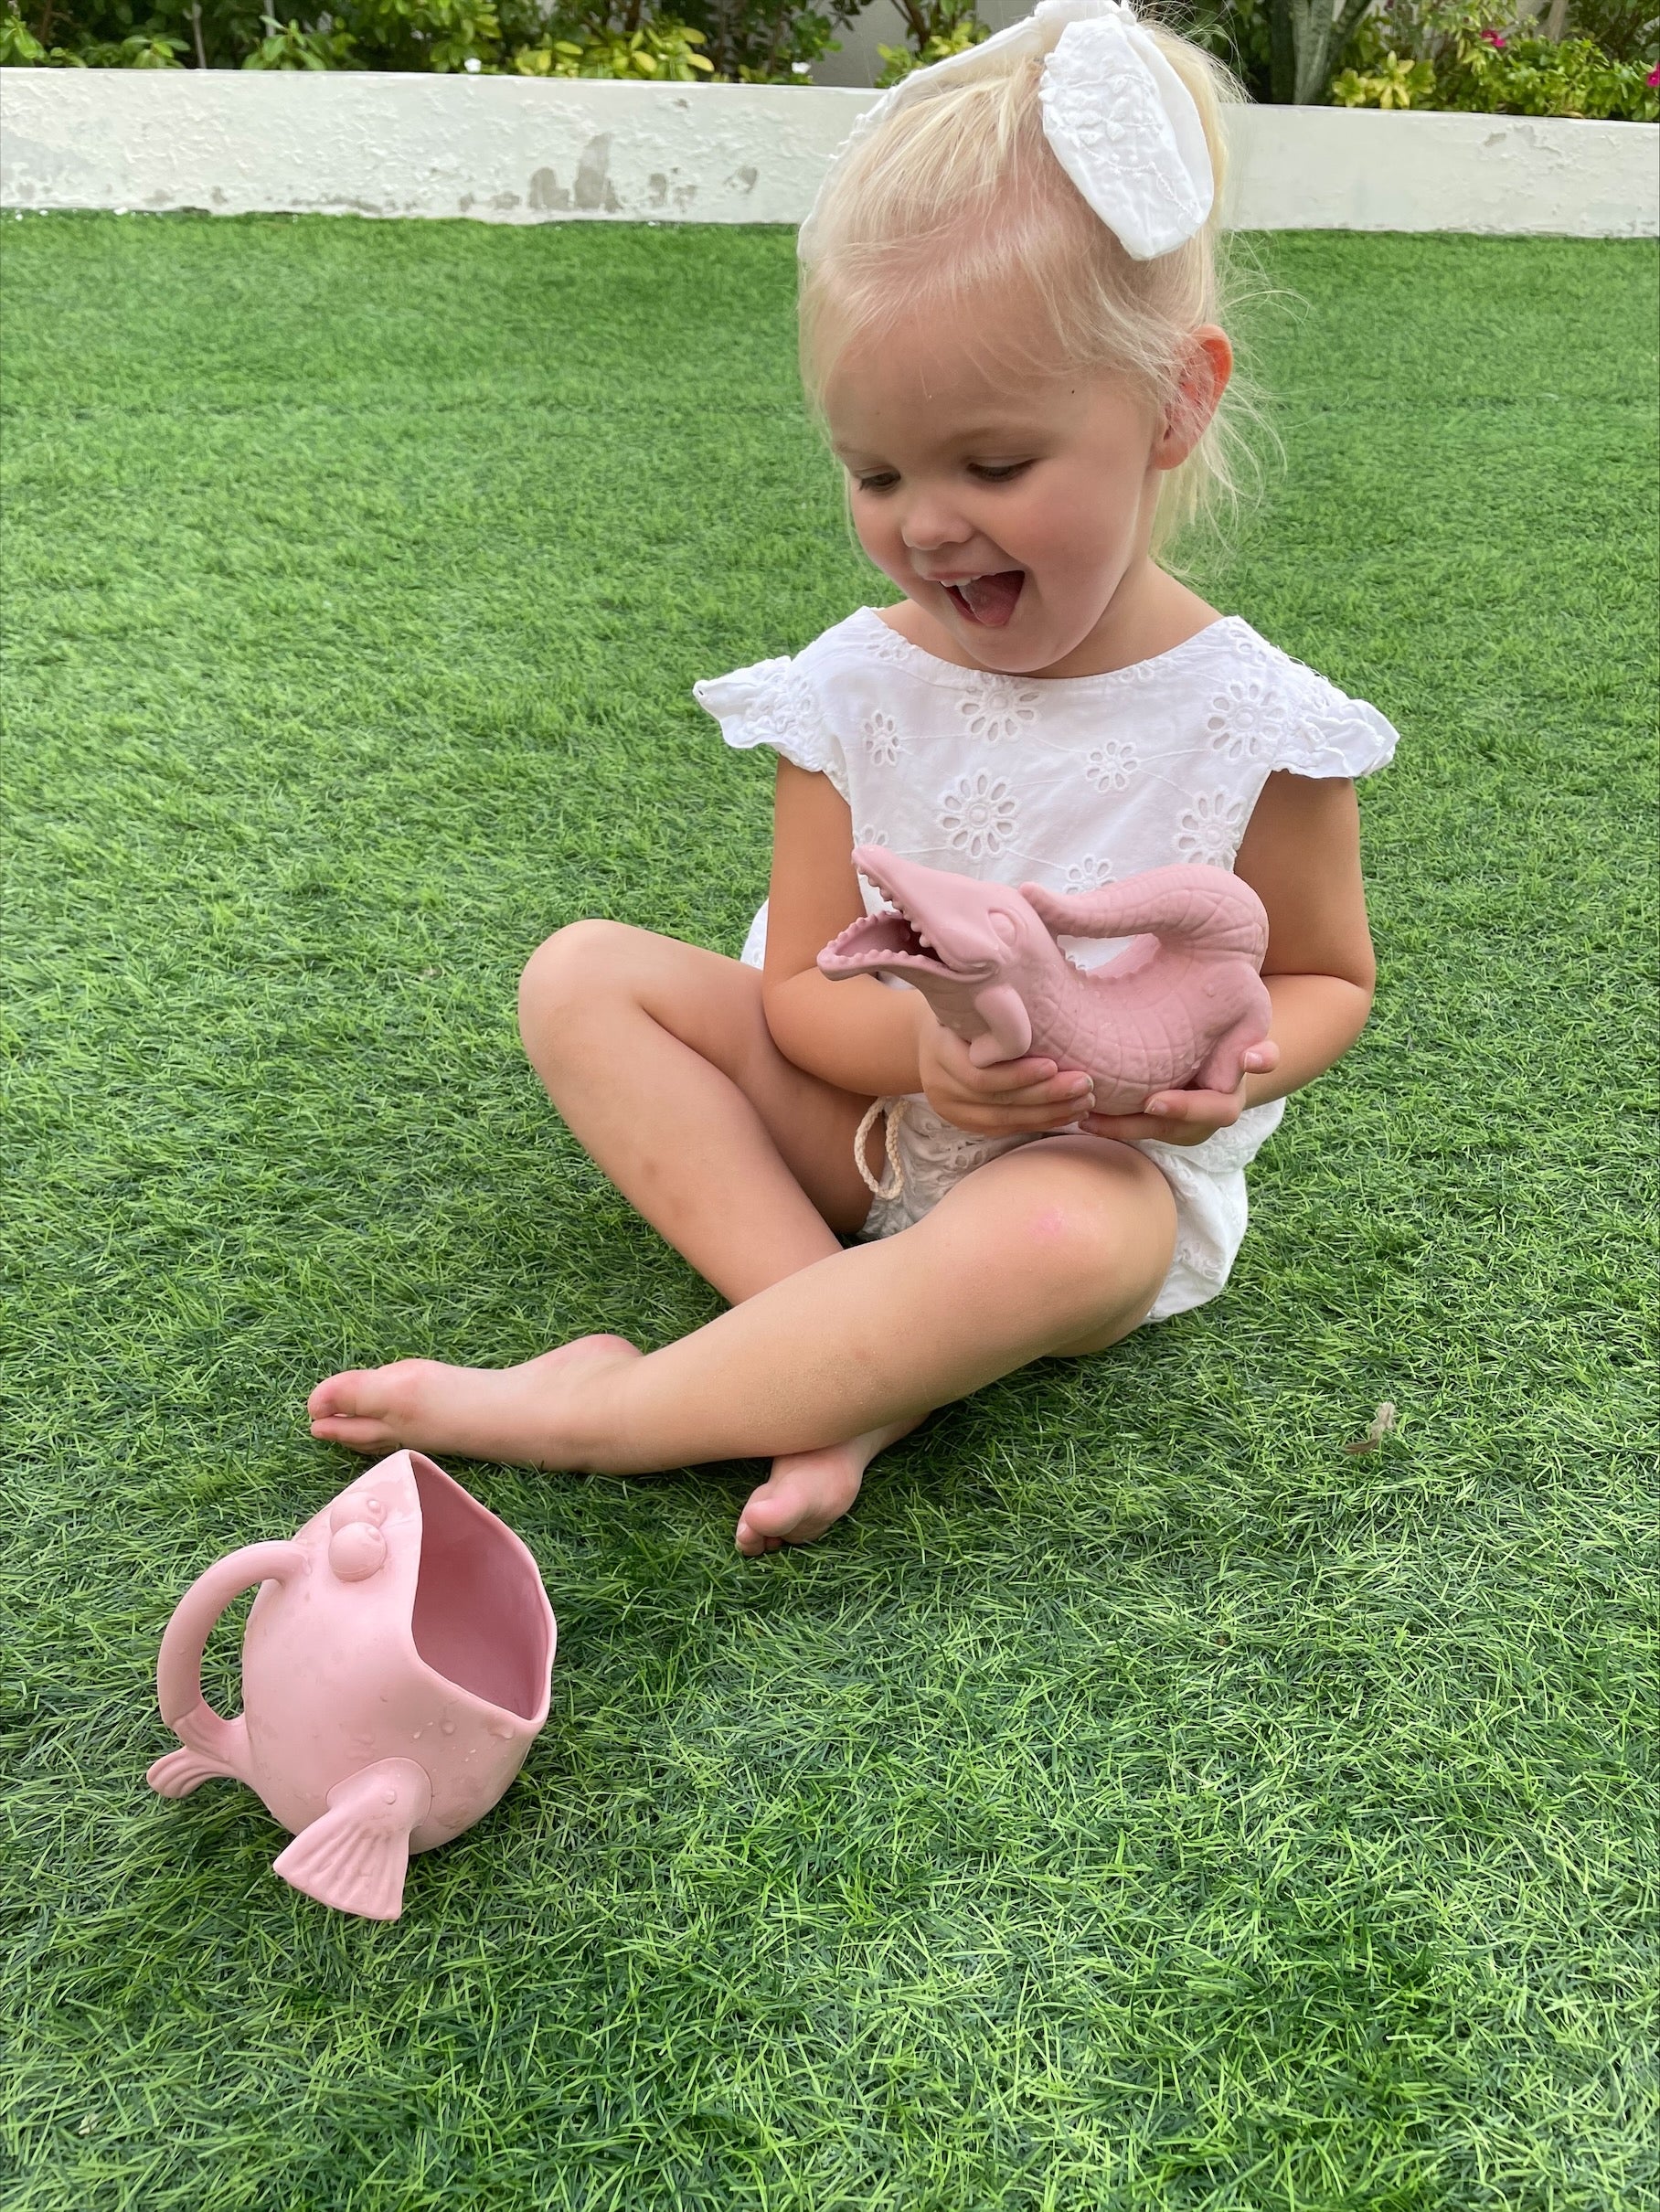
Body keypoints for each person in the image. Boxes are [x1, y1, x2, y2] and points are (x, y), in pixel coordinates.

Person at [308, 0, 1398, 1556]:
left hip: (1081, 1172)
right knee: (582, 979)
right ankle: (837, 1360)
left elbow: (1324, 976)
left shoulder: (1259, 722)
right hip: (865, 1124)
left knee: (1075, 1229)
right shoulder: (852, 686)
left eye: (994, 465)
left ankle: (605, 1408)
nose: (928, 524)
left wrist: (1232, 1072)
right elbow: (801, 997)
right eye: (875, 472)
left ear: (1176, 402)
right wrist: (926, 1063)